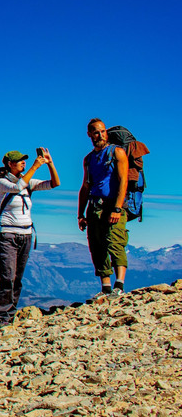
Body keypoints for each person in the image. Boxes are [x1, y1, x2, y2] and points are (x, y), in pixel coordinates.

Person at [0, 148, 60, 326]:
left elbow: (55, 183)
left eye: (24, 160)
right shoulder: (2, 183)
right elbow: (17, 187)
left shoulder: (29, 183)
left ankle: (11, 314)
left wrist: (50, 163)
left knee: (17, 278)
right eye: (20, 161)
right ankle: (3, 319)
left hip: (26, 235)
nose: (23, 163)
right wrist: (36, 166)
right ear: (9, 164)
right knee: (7, 277)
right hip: (8, 235)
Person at [78, 118, 129, 296]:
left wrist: (117, 208)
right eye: (96, 132)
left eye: (102, 131)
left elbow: (124, 181)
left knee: (115, 242)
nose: (100, 135)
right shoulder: (88, 159)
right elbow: (85, 186)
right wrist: (80, 214)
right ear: (90, 134)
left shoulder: (117, 153)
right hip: (94, 206)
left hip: (113, 205)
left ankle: (119, 286)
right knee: (96, 246)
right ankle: (105, 287)